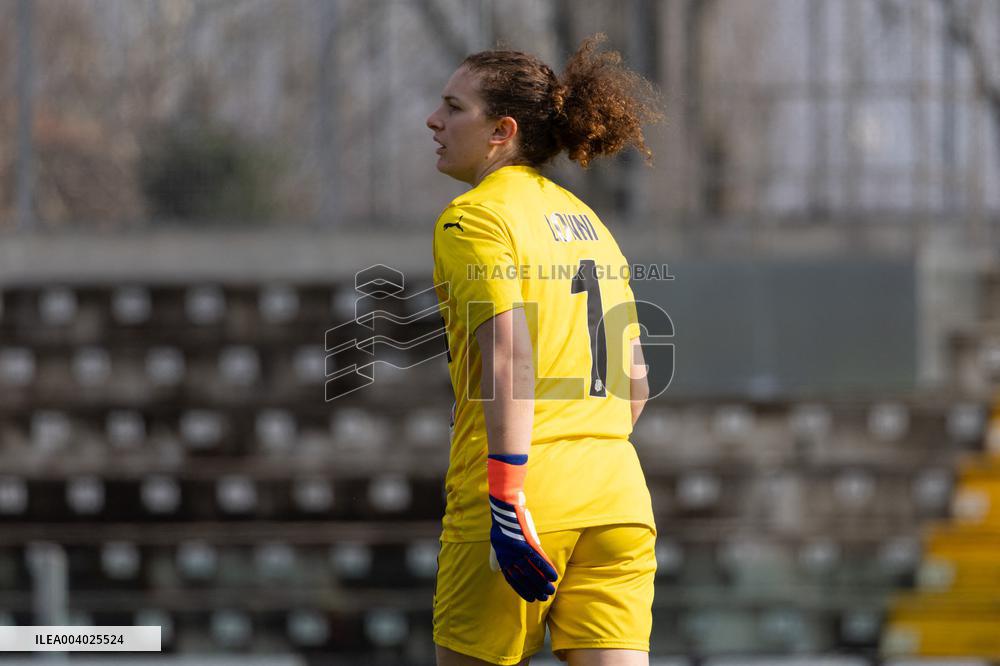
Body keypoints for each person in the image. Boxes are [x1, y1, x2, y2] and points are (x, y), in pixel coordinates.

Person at [426, 34, 662, 666]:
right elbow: (635, 383)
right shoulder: (591, 225)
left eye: (453, 107)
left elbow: (508, 352)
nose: (434, 119)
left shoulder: (472, 218)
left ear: (501, 130)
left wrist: (506, 496)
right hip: (618, 498)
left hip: (522, 494)